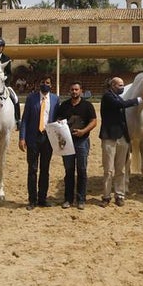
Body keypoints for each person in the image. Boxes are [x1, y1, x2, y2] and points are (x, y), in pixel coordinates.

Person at [99, 75, 142, 207]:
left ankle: (119, 194)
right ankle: (106, 196)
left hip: (122, 137)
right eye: (120, 85)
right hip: (109, 137)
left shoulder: (117, 97)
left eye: (123, 85)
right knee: (108, 170)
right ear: (113, 86)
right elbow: (120, 105)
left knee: (121, 169)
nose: (122, 87)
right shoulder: (108, 97)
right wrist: (136, 100)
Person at [56, 81, 97, 209]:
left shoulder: (87, 105)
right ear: (70, 91)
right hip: (67, 143)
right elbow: (58, 120)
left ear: (81, 91)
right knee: (68, 171)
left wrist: (84, 131)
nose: (74, 92)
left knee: (82, 170)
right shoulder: (64, 105)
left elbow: (94, 121)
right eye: (72, 89)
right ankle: (68, 199)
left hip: (82, 142)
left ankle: (81, 199)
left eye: (76, 89)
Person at [18, 75, 57, 210]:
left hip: (48, 139)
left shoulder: (55, 99)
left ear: (51, 85)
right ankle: (32, 200)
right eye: (42, 82)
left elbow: (58, 119)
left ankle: (42, 198)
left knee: (45, 170)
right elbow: (25, 120)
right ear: (38, 84)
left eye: (47, 83)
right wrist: (22, 138)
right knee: (32, 170)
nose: (45, 84)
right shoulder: (31, 98)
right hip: (33, 138)